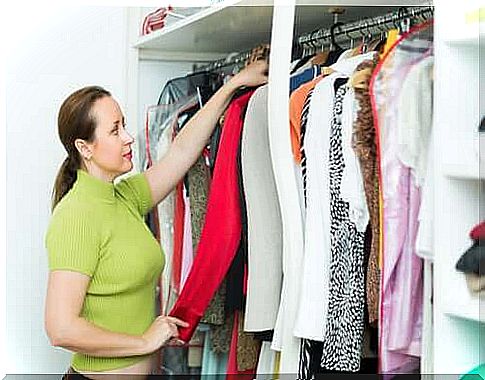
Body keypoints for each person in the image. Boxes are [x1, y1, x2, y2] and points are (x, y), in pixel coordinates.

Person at [44, 59, 269, 380]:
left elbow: (180, 153)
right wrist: (144, 341)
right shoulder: (76, 217)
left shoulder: (124, 197)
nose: (128, 138)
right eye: (114, 130)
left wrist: (231, 87)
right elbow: (61, 328)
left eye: (124, 124)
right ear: (85, 147)